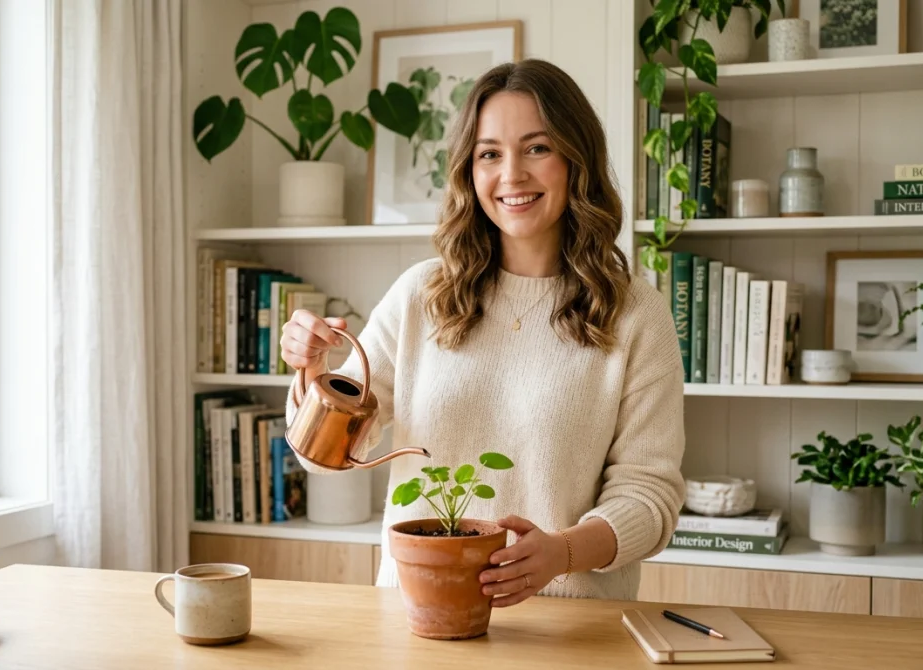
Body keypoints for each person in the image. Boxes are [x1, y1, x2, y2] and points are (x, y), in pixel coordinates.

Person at [280, 58, 685, 605]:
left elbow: (650, 494)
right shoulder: (421, 295)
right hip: (418, 617)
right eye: (489, 153)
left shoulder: (636, 313)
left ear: (575, 158)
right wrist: (312, 371)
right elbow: (321, 455)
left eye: (537, 148)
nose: (511, 174)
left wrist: (561, 553)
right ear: (470, 171)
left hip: (572, 630)